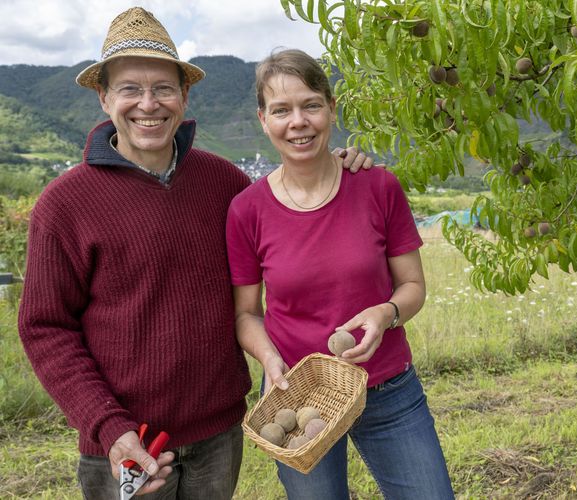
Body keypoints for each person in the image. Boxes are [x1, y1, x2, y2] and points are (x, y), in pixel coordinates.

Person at [17, 7, 374, 499]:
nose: (149, 104)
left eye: (163, 88)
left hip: (217, 435)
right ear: (104, 97)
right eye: (130, 89)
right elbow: (44, 327)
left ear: (184, 96)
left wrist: (333, 166)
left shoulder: (223, 182)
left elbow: (289, 203)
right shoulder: (64, 204)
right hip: (125, 442)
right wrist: (108, 426)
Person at [226, 48, 455, 499]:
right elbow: (246, 315)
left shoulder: (377, 186)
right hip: (299, 396)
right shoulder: (247, 210)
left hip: (386, 388)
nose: (298, 121)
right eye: (281, 110)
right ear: (263, 119)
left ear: (331, 108)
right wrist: (271, 363)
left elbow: (412, 287)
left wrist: (386, 313)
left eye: (311, 104)